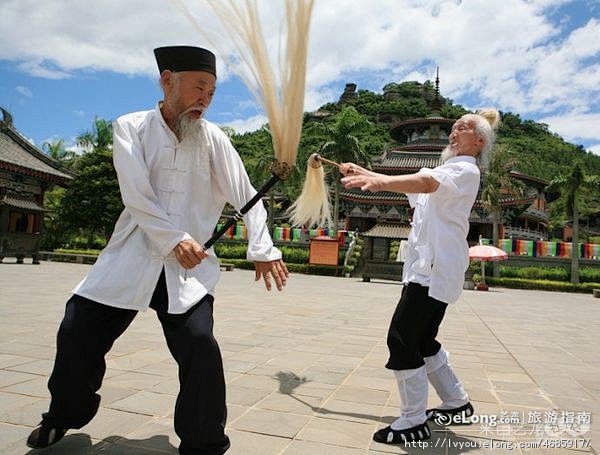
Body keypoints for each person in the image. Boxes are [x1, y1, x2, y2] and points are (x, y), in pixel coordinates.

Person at [27, 45, 289, 454]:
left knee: (200, 346)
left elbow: (249, 197)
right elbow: (137, 196)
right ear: (168, 81)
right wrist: (174, 238)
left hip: (186, 271)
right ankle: (63, 416)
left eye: (213, 92)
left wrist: (263, 247)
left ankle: (204, 443)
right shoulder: (131, 127)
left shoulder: (214, 140)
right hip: (130, 257)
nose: (206, 98)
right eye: (199, 87)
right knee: (77, 330)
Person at [341, 109, 500, 445]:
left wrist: (380, 179)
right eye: (453, 128)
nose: (453, 133)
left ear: (480, 141)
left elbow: (426, 182)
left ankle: (413, 419)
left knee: (401, 339)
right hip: (430, 269)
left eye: (463, 129)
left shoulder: (465, 170)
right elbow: (417, 186)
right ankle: (456, 402)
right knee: (423, 341)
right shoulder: (449, 169)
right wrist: (367, 172)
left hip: (433, 270)